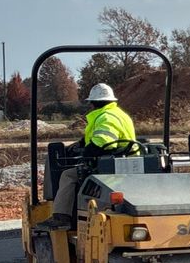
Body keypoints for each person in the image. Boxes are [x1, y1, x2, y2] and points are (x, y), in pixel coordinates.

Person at [39, 83, 136, 228]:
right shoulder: (121, 115)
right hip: (129, 163)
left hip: (109, 167)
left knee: (68, 175)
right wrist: (82, 143)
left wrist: (86, 152)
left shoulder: (105, 117)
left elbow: (103, 142)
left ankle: (61, 216)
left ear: (93, 103)